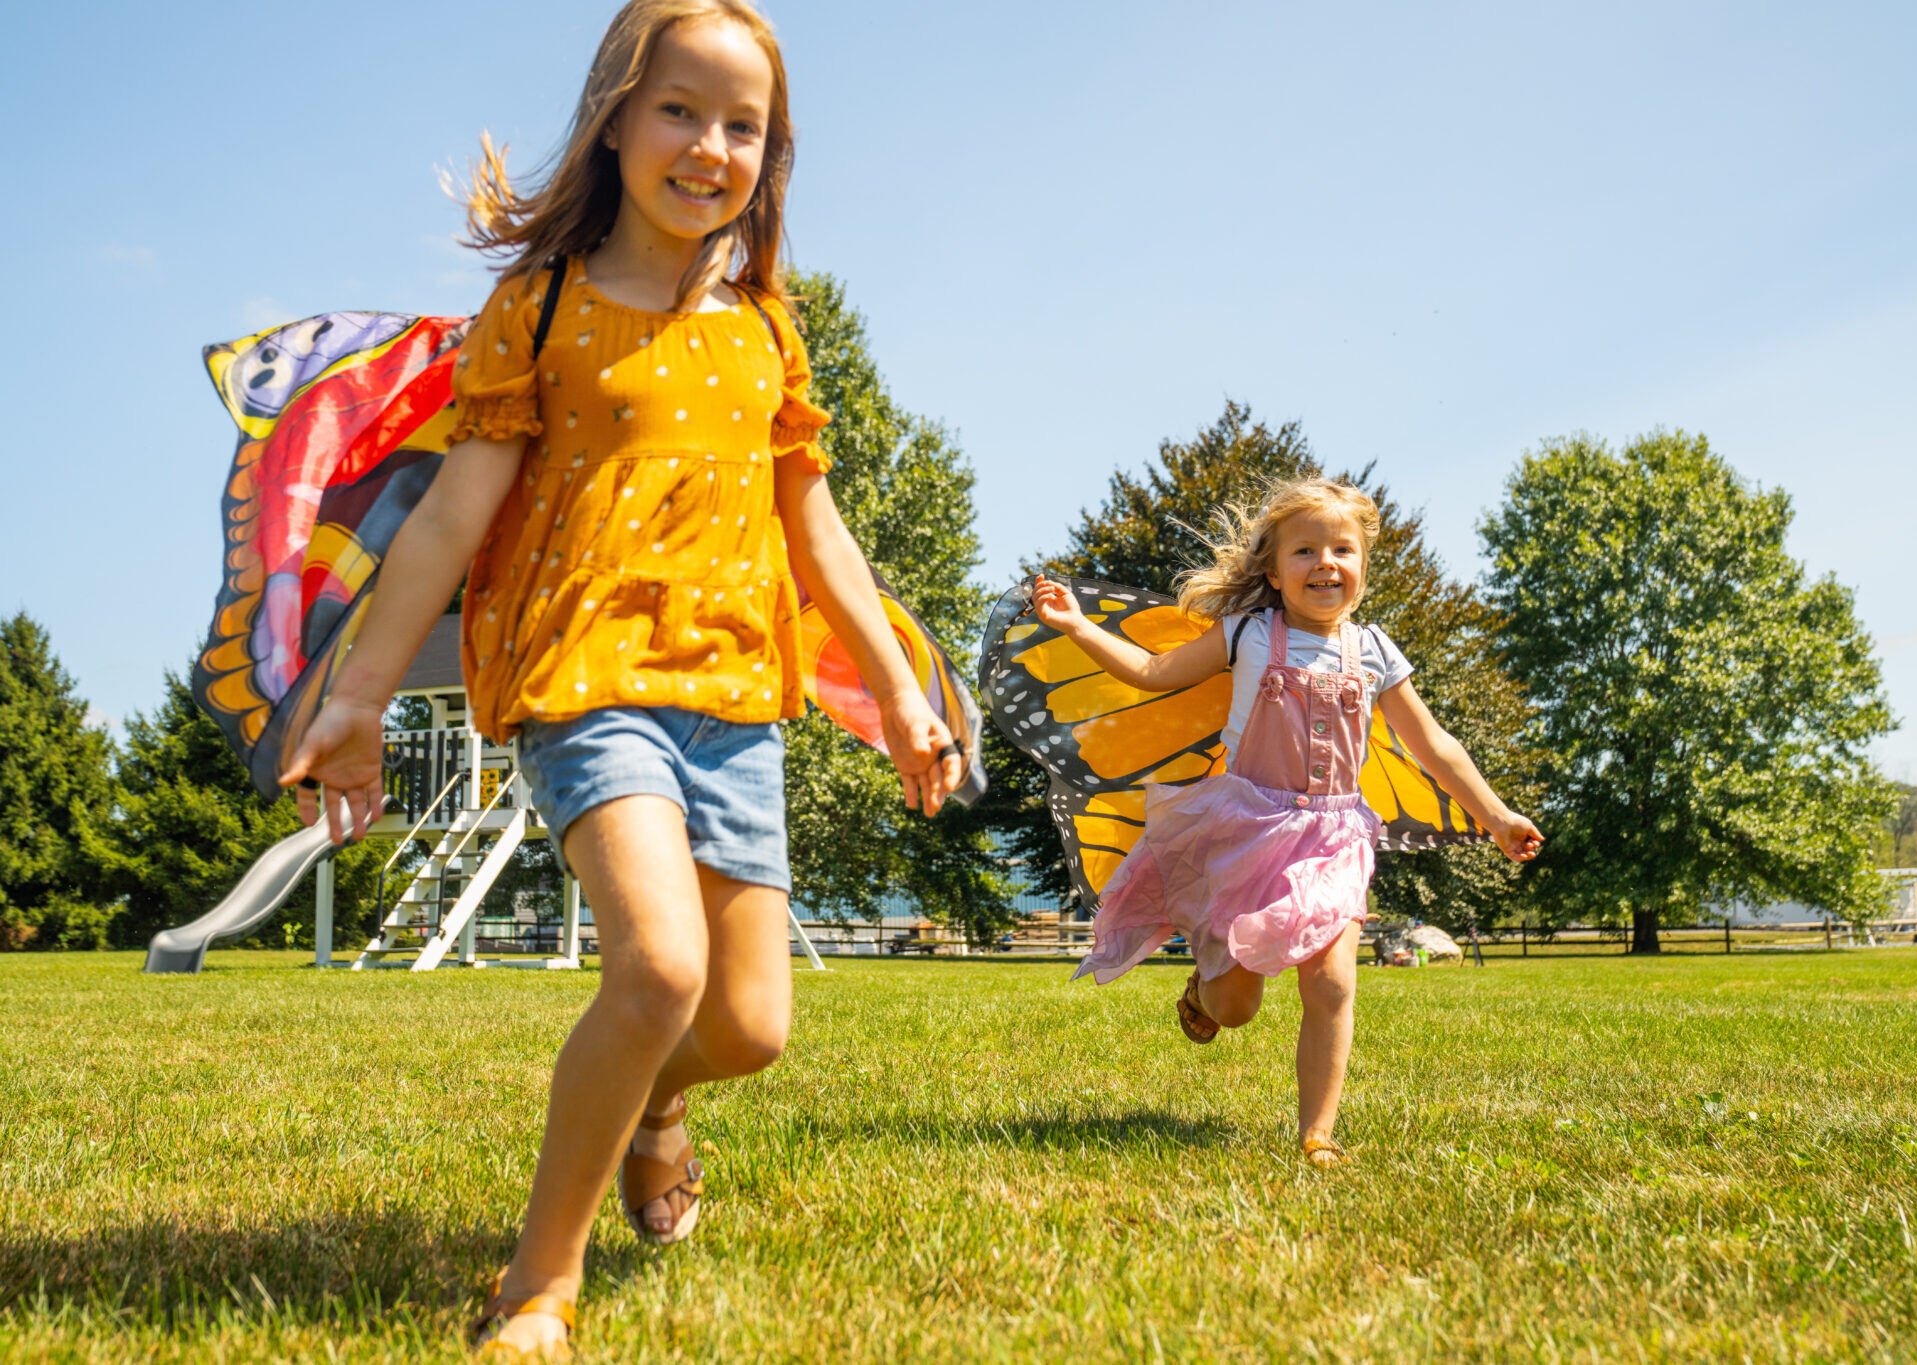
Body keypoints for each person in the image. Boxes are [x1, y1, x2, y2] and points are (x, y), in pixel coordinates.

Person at [279, 1, 964, 1354]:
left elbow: (814, 528)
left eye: (743, 126)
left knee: (750, 1025)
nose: (710, 146)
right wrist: (352, 697)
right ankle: (542, 1280)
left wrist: (895, 689)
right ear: (613, 118)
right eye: (680, 110)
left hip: (732, 697)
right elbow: (448, 521)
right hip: (583, 671)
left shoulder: (768, 327)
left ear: (772, 156)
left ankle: (655, 1101)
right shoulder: (539, 308)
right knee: (657, 968)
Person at [1030, 477, 1540, 1166]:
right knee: (1239, 1006)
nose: (1325, 563)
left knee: (1331, 983)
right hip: (1247, 830)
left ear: (1363, 565)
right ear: (1273, 570)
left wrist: (1496, 814)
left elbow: (1436, 746)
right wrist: (1078, 626)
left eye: (1343, 548)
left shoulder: (1377, 652)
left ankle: (1317, 1133)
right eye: (1305, 550)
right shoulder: (1246, 634)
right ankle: (1205, 992)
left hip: (1334, 837)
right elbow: (1153, 671)